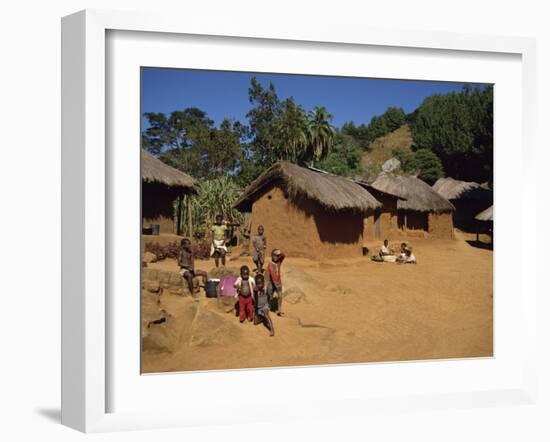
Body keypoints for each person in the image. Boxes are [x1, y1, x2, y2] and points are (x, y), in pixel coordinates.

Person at [266, 249, 285, 316]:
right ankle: (267, 306)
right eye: (274, 255)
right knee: (269, 295)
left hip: (278, 283)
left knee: (280, 296)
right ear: (272, 256)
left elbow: (283, 256)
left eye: (277, 256)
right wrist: (268, 284)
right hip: (271, 283)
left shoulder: (279, 262)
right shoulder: (270, 264)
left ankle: (279, 309)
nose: (276, 257)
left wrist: (279, 252)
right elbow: (270, 275)